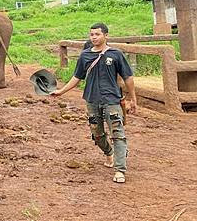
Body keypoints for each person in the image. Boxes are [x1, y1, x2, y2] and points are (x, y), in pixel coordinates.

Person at [52, 23, 137, 184]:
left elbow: (128, 78)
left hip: (112, 100)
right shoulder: (84, 56)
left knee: (117, 134)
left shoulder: (116, 54)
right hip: (92, 100)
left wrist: (133, 99)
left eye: (97, 34)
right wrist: (61, 91)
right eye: (91, 35)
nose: (94, 37)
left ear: (106, 35)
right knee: (97, 135)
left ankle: (120, 169)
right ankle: (109, 152)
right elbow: (76, 78)